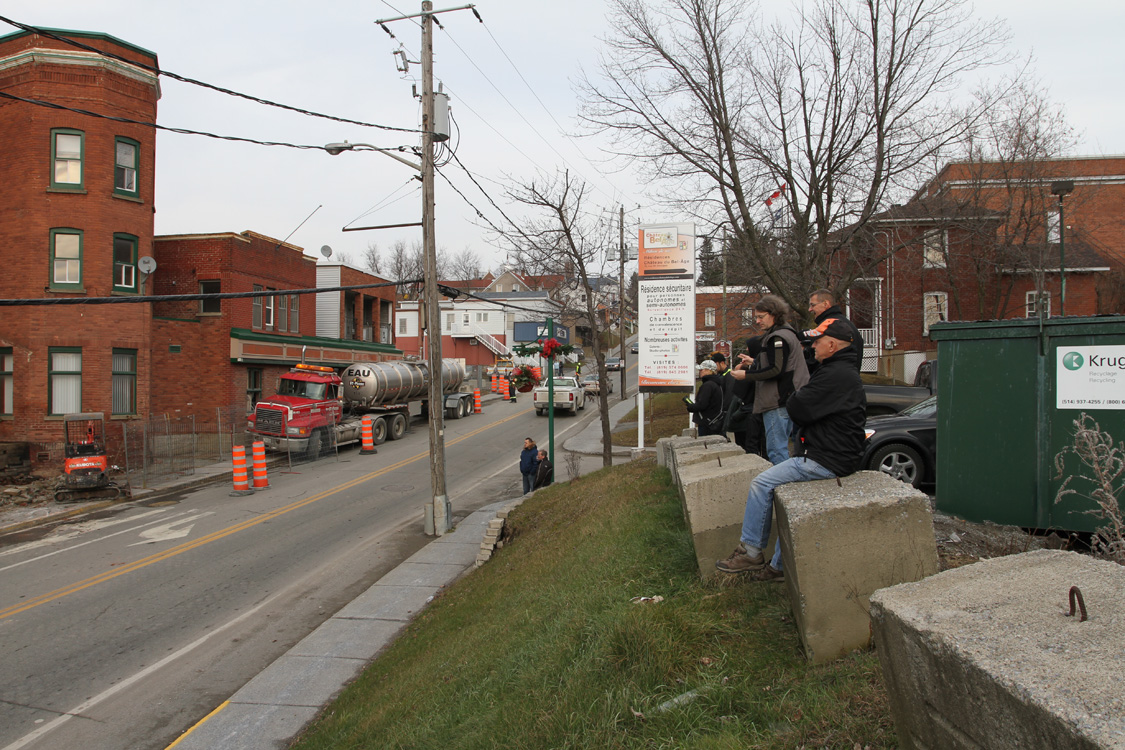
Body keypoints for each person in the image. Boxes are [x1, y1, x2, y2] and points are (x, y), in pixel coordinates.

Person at [716, 319, 868, 581]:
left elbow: (797, 407)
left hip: (826, 458)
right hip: (831, 453)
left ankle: (751, 552)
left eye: (818, 341)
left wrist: (796, 397)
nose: (813, 346)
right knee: (779, 487)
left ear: (832, 345)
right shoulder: (839, 371)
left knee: (761, 484)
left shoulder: (835, 375)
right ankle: (777, 567)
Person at [730, 295, 810, 464]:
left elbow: (776, 369)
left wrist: (746, 375)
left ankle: (781, 488)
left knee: (776, 450)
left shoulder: (777, 338)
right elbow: (782, 364)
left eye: (761, 317)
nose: (758, 321)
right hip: (788, 398)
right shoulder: (787, 333)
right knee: (780, 447)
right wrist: (754, 362)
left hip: (777, 400)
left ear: (774, 314)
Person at [804, 289, 864, 372]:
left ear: (826, 304)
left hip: (832, 379)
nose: (809, 309)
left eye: (812, 305)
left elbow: (816, 360)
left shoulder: (830, 326)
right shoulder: (845, 324)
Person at [683, 359, 725, 437]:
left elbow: (702, 404)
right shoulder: (716, 384)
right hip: (714, 420)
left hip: (707, 423)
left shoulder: (708, 385)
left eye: (702, 369)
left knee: (706, 443)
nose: (700, 371)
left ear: (709, 370)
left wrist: (690, 406)